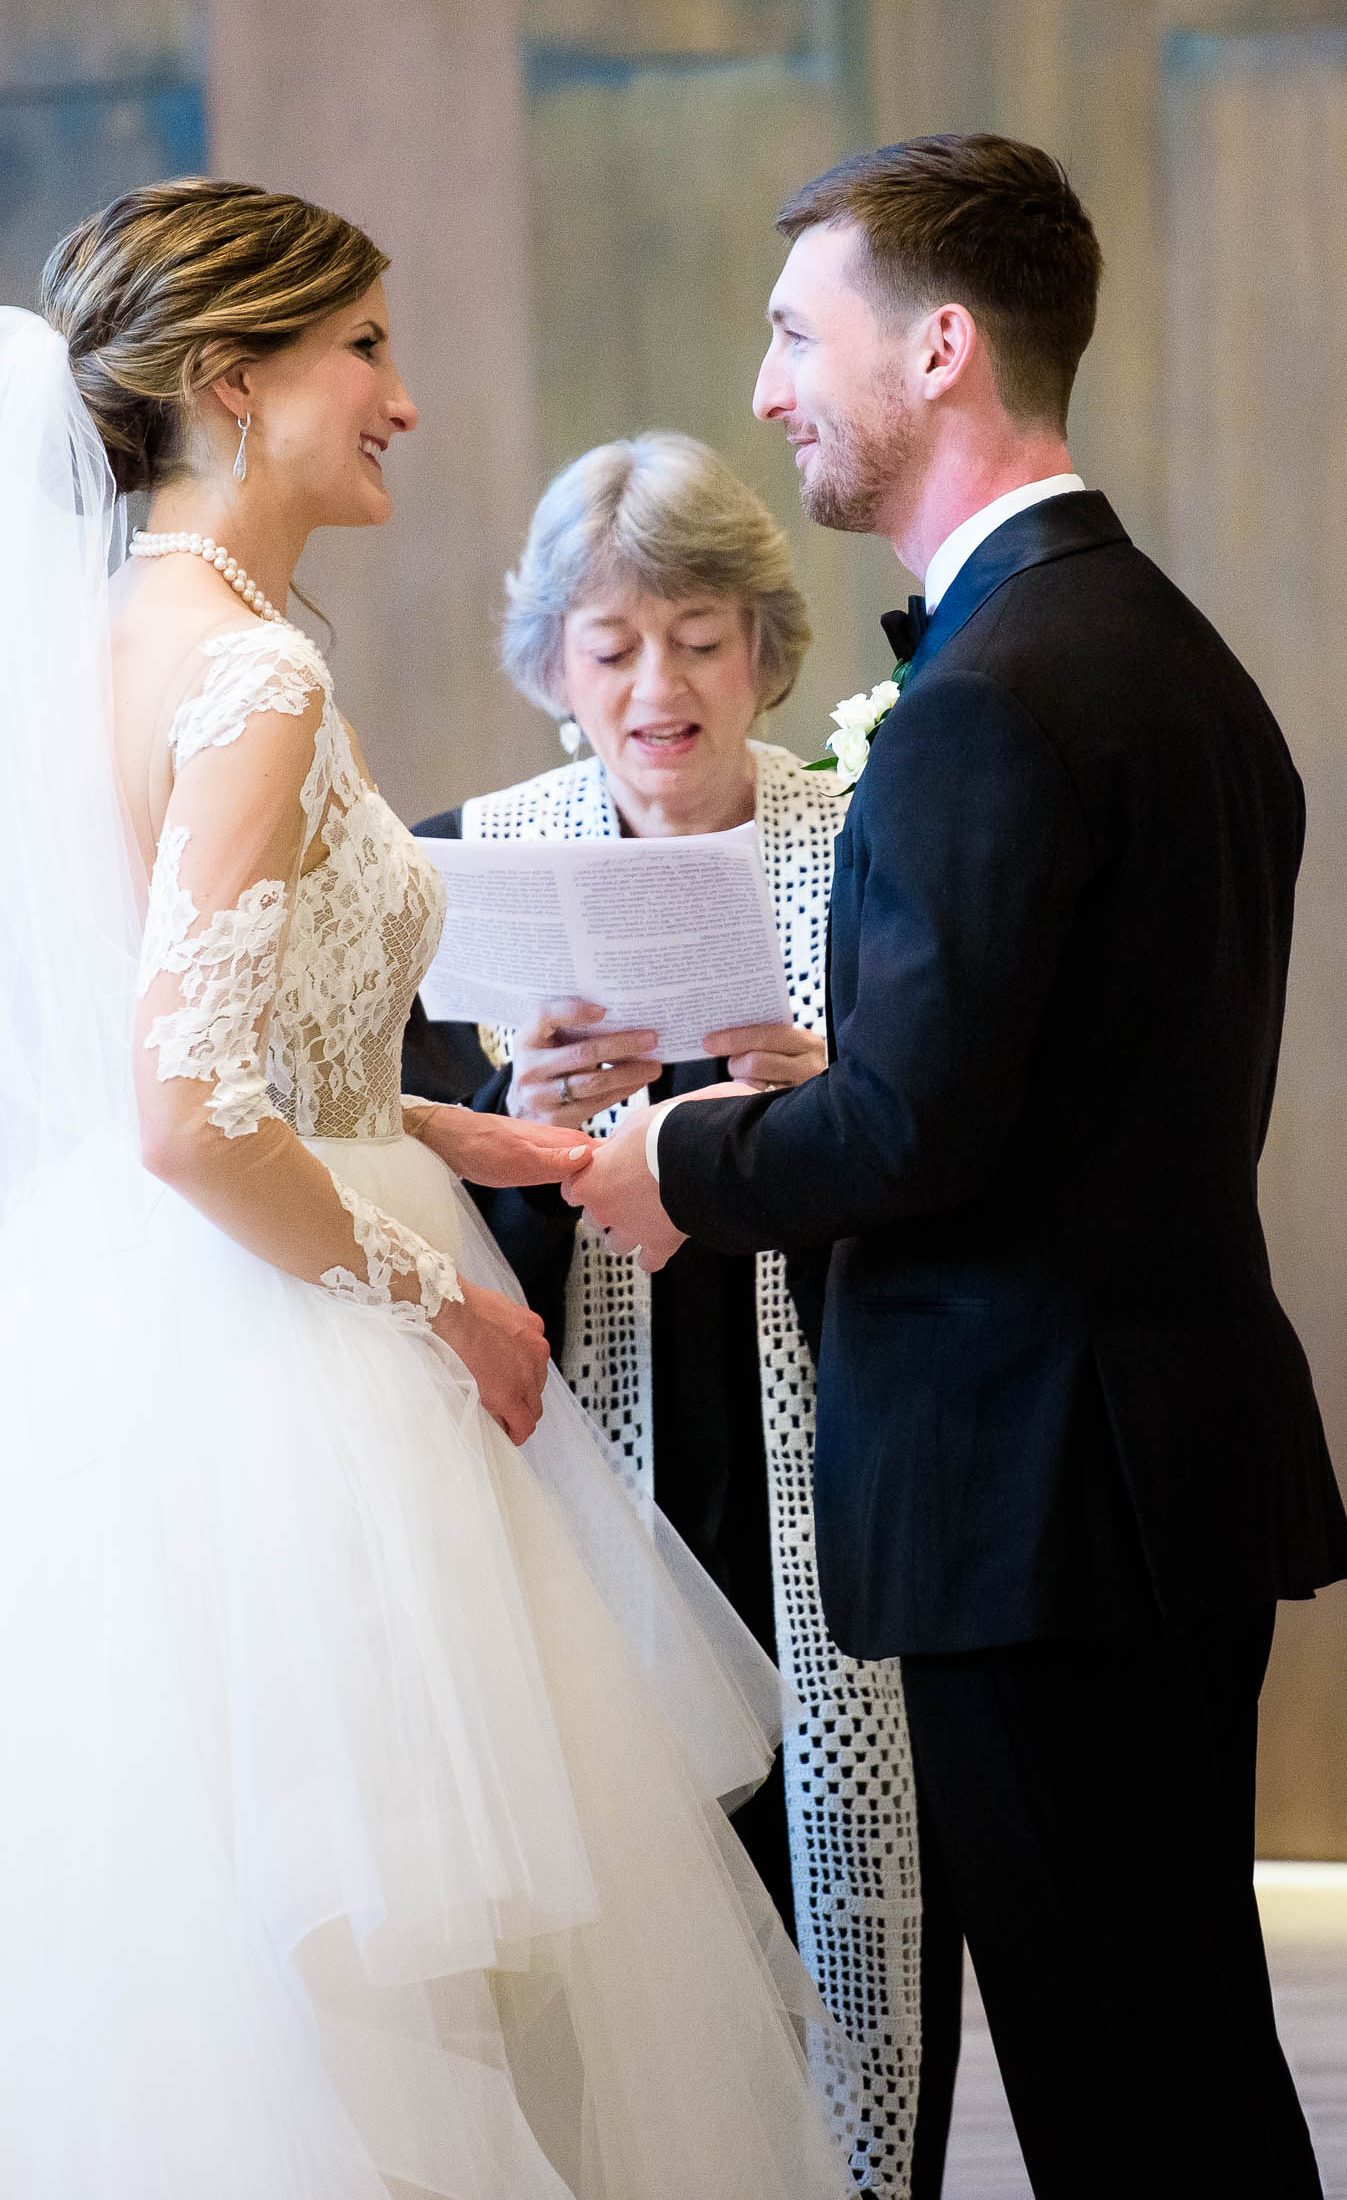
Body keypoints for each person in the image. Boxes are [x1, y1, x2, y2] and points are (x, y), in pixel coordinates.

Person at [0, 180, 868, 2198]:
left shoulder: (133, 636)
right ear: (227, 382)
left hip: (135, 1309)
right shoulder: (249, 678)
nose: (404, 400)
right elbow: (189, 1114)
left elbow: (202, 1065)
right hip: (275, 1361)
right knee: (356, 1977)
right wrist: (457, 1299)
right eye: (362, 350)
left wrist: (467, 1133)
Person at [572, 133, 1347, 2200]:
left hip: (1042, 1485)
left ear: (937, 343)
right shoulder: (1156, 652)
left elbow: (915, 1138)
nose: (767, 389)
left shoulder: (992, 692)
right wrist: (845, 1075)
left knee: (1126, 2080)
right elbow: (1050, 1090)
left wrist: (678, 1148)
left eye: (792, 332)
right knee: (1177, 2047)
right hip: (1139, 1457)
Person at [402, 430, 926, 2196]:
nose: (655, 686)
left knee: (824, 1901)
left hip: (837, 1469)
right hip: (572, 1485)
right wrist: (518, 1126)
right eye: (610, 642)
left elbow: (953, 1158)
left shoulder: (865, 842)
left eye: (697, 636)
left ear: (766, 652)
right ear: (553, 664)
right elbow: (410, 1237)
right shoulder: (455, 869)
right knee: (611, 1954)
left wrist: (834, 1097)